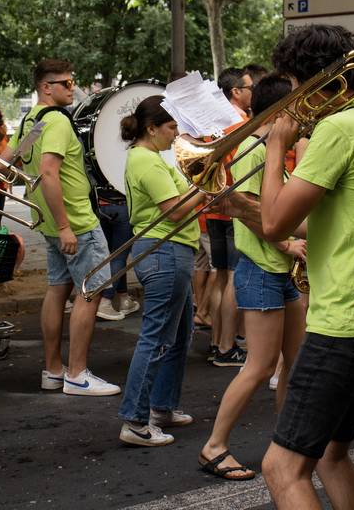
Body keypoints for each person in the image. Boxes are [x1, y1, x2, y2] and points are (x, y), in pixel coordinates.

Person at [258, 25, 354, 509]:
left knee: (281, 467)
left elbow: (273, 222)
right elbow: (339, 222)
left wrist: (274, 147)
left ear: (302, 81)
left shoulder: (338, 128)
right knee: (330, 455)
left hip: (346, 319)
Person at [198, 74, 307, 480]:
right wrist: (286, 245)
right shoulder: (253, 149)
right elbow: (248, 209)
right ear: (282, 111)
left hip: (277, 271)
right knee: (260, 367)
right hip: (261, 269)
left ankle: (289, 439)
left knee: (293, 363)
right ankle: (214, 446)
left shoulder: (267, 147)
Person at [0, 58, 120, 396]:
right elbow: (49, 173)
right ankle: (77, 374)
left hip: (49, 221)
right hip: (75, 221)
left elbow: (7, 160)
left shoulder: (30, 120)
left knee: (57, 289)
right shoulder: (57, 123)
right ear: (45, 87)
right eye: (65, 83)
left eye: (71, 81)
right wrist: (67, 226)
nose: (72, 87)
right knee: (91, 292)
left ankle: (53, 370)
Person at [117, 95, 202, 446]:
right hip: (164, 250)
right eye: (170, 127)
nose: (175, 133)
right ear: (151, 129)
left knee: (179, 336)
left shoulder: (150, 157)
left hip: (172, 250)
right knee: (156, 338)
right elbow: (175, 210)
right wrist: (206, 188)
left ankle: (162, 407)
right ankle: (136, 421)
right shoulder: (146, 161)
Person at [206, 67, 252, 367]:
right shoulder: (241, 121)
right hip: (233, 205)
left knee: (220, 276)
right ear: (236, 91)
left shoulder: (210, 118)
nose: (252, 91)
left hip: (213, 205)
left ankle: (216, 341)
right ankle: (226, 346)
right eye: (249, 86)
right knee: (234, 277)